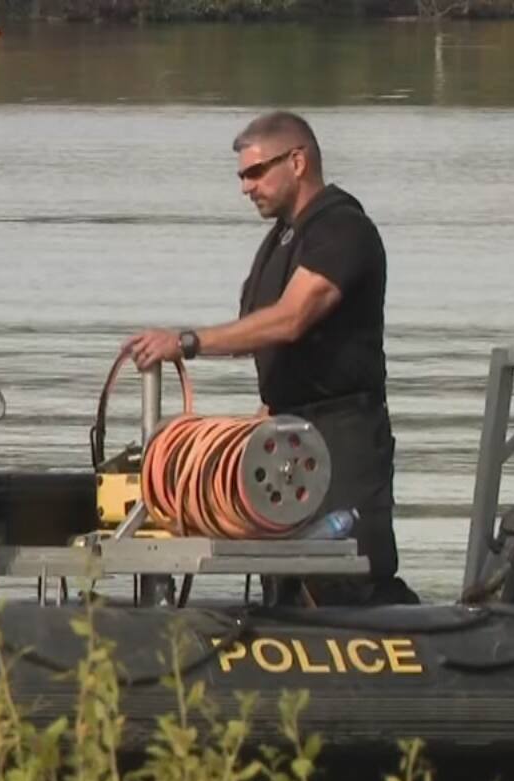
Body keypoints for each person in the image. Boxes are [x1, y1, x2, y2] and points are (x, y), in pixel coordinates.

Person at [118, 111, 418, 607]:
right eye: (241, 175)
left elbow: (291, 318)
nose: (245, 187)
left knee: (352, 578)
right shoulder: (280, 239)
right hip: (286, 436)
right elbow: (254, 335)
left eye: (256, 172)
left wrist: (187, 342)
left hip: (342, 435)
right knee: (284, 579)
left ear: (297, 161)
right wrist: (251, 423)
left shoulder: (342, 228)